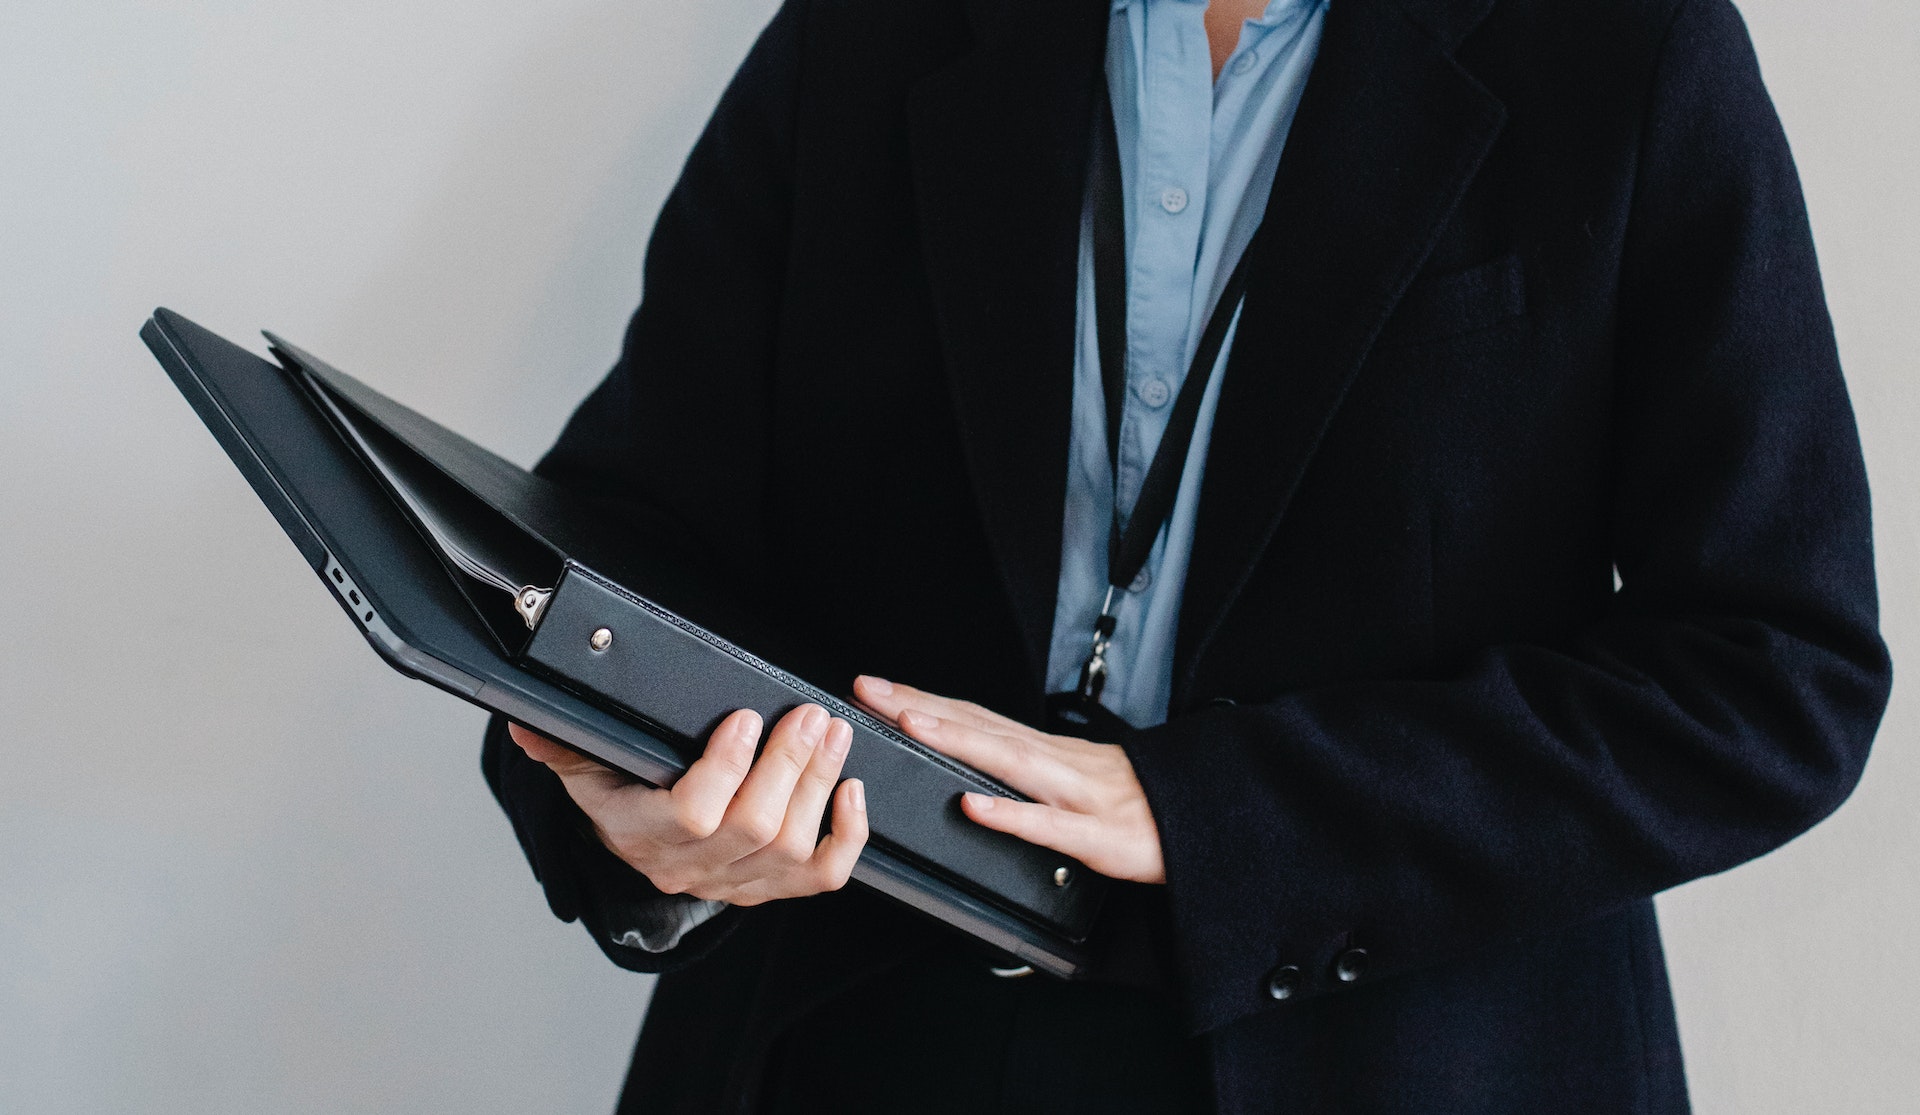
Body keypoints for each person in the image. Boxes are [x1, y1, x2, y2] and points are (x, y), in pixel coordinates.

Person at [484, 0, 1892, 1110]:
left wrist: (1221, 814)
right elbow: (621, 543)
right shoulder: (867, 29)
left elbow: (1775, 675)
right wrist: (640, 825)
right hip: (854, 1024)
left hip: (1401, 1057)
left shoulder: (1628, 43)